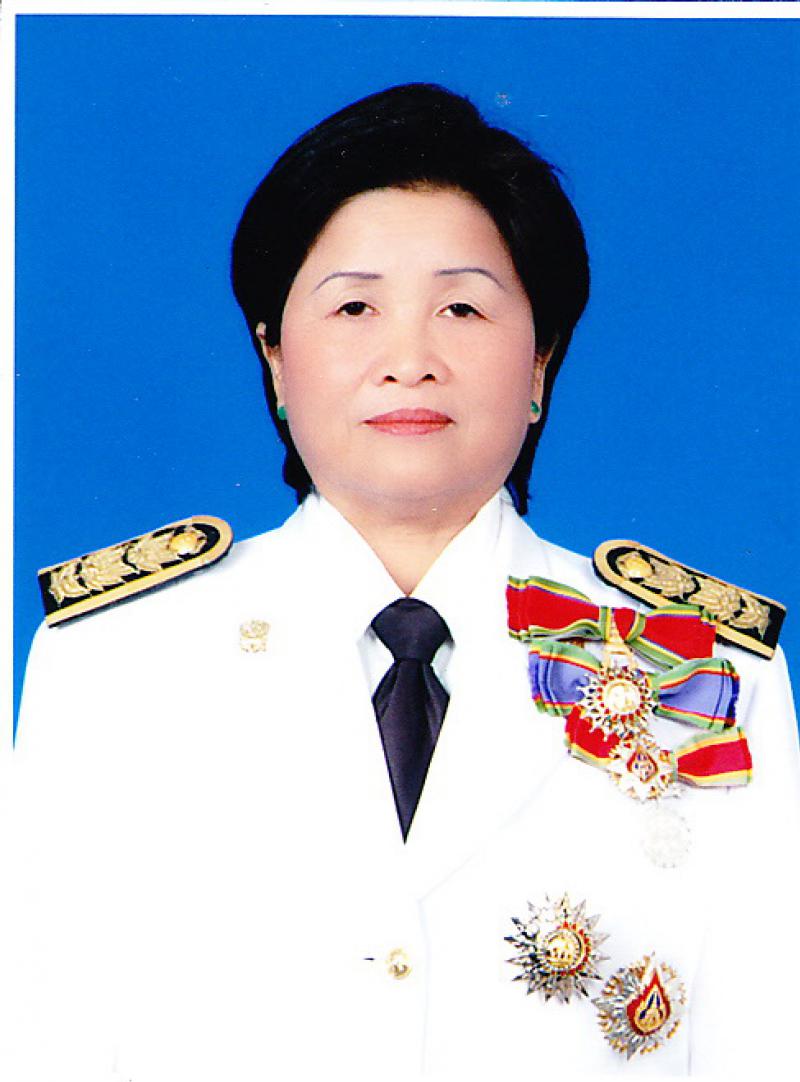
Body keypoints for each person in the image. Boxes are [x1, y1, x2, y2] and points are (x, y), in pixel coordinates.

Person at [1, 83, 798, 1080]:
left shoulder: (703, 669)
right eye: (354, 307)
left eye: (461, 307)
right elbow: (46, 1037)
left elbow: (763, 1042)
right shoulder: (113, 658)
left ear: (540, 360)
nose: (408, 360)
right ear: (275, 357)